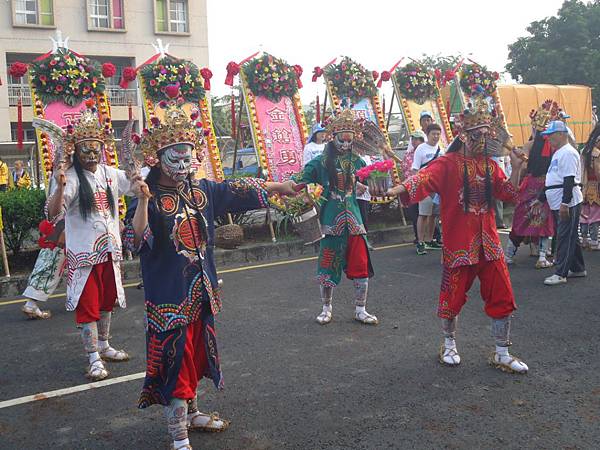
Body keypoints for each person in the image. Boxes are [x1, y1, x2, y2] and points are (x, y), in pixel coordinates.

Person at [124, 101, 297, 450]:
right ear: (157, 157)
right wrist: (142, 201)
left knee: (197, 357)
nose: (183, 164)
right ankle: (179, 438)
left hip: (201, 291)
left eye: (188, 156)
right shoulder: (150, 195)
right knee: (176, 365)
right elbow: (136, 240)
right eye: (175, 156)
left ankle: (192, 413)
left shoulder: (201, 191)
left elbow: (238, 189)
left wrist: (280, 187)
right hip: (169, 297)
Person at [387, 96, 528, 374]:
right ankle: (449, 344)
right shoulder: (448, 163)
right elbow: (423, 178)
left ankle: (502, 352)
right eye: (479, 136)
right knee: (452, 296)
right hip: (459, 243)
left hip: (488, 243)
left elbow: (509, 194)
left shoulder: (490, 166)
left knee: (502, 293)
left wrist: (518, 167)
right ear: (465, 135)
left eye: (487, 136)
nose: (484, 141)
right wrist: (399, 189)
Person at [46, 107, 147, 381]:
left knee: (106, 302)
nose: (91, 155)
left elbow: (136, 186)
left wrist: (139, 177)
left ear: (102, 149)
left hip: (109, 252)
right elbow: (53, 213)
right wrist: (58, 185)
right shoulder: (72, 179)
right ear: (75, 151)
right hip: (84, 256)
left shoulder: (110, 174)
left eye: (96, 150)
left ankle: (104, 345)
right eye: (85, 150)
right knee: (88, 307)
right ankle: (92, 357)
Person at [295, 109, 377, 326]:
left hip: (355, 221)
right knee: (327, 264)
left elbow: (368, 181)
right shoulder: (321, 162)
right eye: (343, 139)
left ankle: (361, 309)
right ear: (334, 137)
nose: (346, 144)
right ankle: (326, 307)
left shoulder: (358, 161)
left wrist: (364, 185)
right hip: (331, 221)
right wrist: (296, 194)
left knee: (360, 265)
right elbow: (300, 180)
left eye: (350, 140)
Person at [505, 101, 558, 269]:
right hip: (547, 185)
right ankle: (542, 256)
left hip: (530, 185)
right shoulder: (554, 146)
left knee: (522, 218)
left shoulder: (529, 145)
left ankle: (509, 254)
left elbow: (524, 167)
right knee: (545, 220)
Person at [540, 121, 586, 285]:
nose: (549, 139)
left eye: (551, 135)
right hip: (558, 200)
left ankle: (560, 273)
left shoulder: (567, 153)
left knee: (564, 236)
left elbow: (569, 179)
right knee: (570, 235)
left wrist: (565, 203)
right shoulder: (559, 152)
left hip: (566, 201)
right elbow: (554, 177)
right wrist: (541, 198)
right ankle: (578, 267)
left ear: (561, 134)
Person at [411, 123, 444, 255]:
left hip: (437, 186)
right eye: (433, 134)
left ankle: (430, 240)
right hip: (424, 186)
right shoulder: (421, 149)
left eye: (438, 134)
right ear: (428, 135)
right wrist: (418, 184)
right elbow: (415, 168)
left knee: (434, 215)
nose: (436, 137)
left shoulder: (441, 150)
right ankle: (420, 241)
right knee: (423, 214)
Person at [580, 122, 600, 249]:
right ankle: (593, 241)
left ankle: (584, 239)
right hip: (596, 186)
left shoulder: (585, 150)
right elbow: (598, 171)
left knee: (585, 213)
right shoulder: (597, 153)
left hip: (585, 186)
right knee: (595, 214)